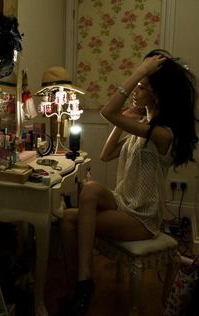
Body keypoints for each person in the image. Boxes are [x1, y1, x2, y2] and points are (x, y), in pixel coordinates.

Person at [58, 49, 199, 315]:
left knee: (69, 221)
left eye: (141, 87)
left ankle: (82, 287)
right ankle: (79, 287)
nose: (135, 89)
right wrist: (125, 120)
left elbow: (107, 111)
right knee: (87, 193)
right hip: (124, 203)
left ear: (156, 94)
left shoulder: (162, 134)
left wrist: (141, 71)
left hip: (142, 218)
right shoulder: (144, 125)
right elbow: (106, 154)